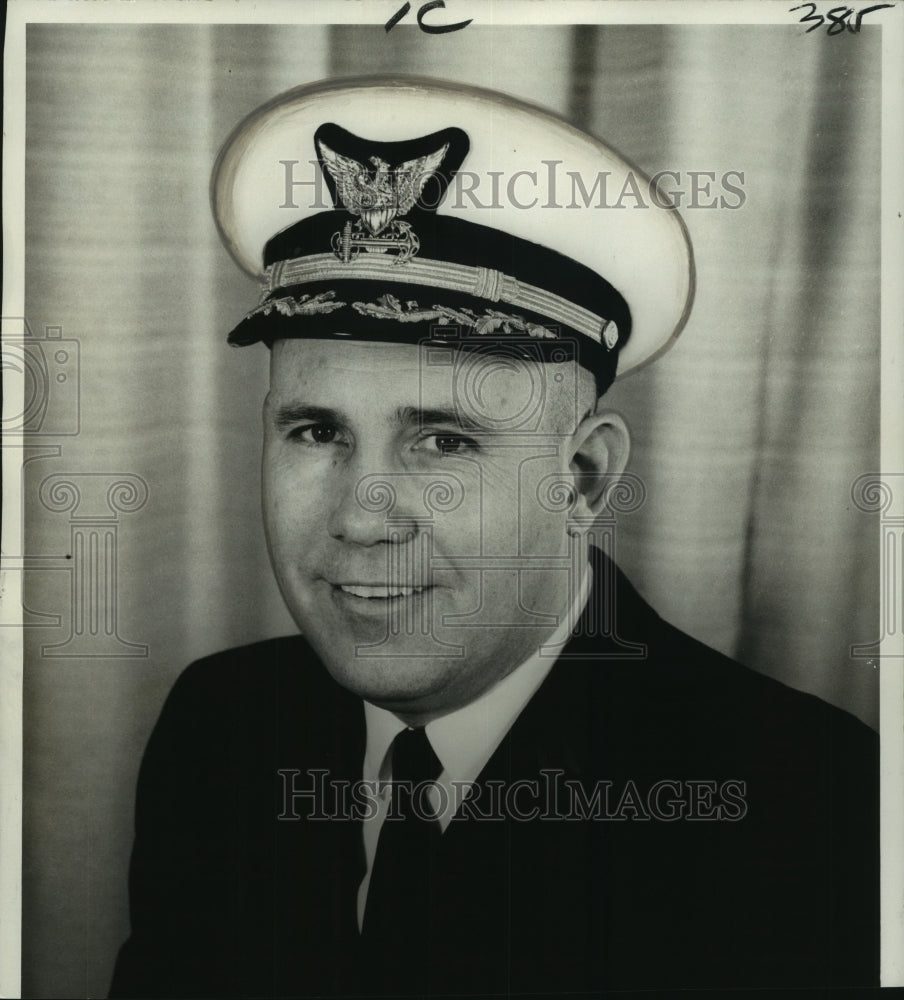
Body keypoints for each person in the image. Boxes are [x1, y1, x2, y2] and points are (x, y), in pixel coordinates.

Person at [109, 77, 878, 997]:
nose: (361, 516)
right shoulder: (222, 724)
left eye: (446, 439)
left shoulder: (811, 808)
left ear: (583, 477)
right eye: (316, 432)